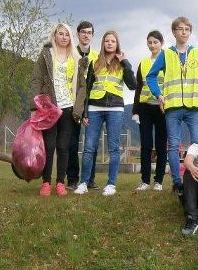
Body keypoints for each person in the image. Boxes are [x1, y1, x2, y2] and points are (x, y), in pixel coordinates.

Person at [145, 16, 198, 196]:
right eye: (180, 29)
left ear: (190, 32)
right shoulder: (166, 54)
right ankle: (177, 182)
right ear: (174, 32)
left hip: (193, 107)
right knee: (173, 145)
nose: (184, 32)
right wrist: (159, 95)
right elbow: (150, 76)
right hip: (173, 107)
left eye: (187, 29)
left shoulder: (197, 53)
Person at [73, 31, 136, 196]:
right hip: (94, 109)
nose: (109, 43)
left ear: (117, 44)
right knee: (89, 147)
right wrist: (84, 113)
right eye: (107, 41)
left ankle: (111, 184)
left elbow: (133, 85)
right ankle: (84, 183)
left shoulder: (122, 64)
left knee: (114, 148)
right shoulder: (95, 62)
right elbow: (86, 89)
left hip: (115, 109)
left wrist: (126, 62)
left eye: (113, 41)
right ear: (103, 43)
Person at [30, 22, 86, 197]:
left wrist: (78, 109)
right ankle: (46, 182)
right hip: (49, 107)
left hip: (68, 108)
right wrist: (34, 106)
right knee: (49, 145)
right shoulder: (46, 55)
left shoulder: (76, 59)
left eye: (67, 34)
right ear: (54, 35)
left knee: (64, 146)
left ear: (70, 38)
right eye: (60, 34)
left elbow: (82, 87)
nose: (64, 37)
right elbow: (36, 80)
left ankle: (60, 183)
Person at [132, 30, 168, 191]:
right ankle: (145, 181)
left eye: (155, 42)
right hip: (145, 108)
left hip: (163, 108)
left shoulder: (168, 61)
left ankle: (158, 181)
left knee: (161, 145)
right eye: (150, 42)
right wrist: (135, 111)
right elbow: (138, 87)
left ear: (162, 43)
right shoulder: (144, 63)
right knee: (146, 145)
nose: (153, 45)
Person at [67, 21, 99, 189]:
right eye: (83, 32)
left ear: (92, 35)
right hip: (72, 103)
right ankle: (72, 179)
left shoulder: (96, 55)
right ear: (78, 34)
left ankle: (90, 179)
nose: (86, 35)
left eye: (89, 32)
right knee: (71, 142)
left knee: (91, 144)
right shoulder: (71, 53)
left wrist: (87, 109)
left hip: (91, 104)